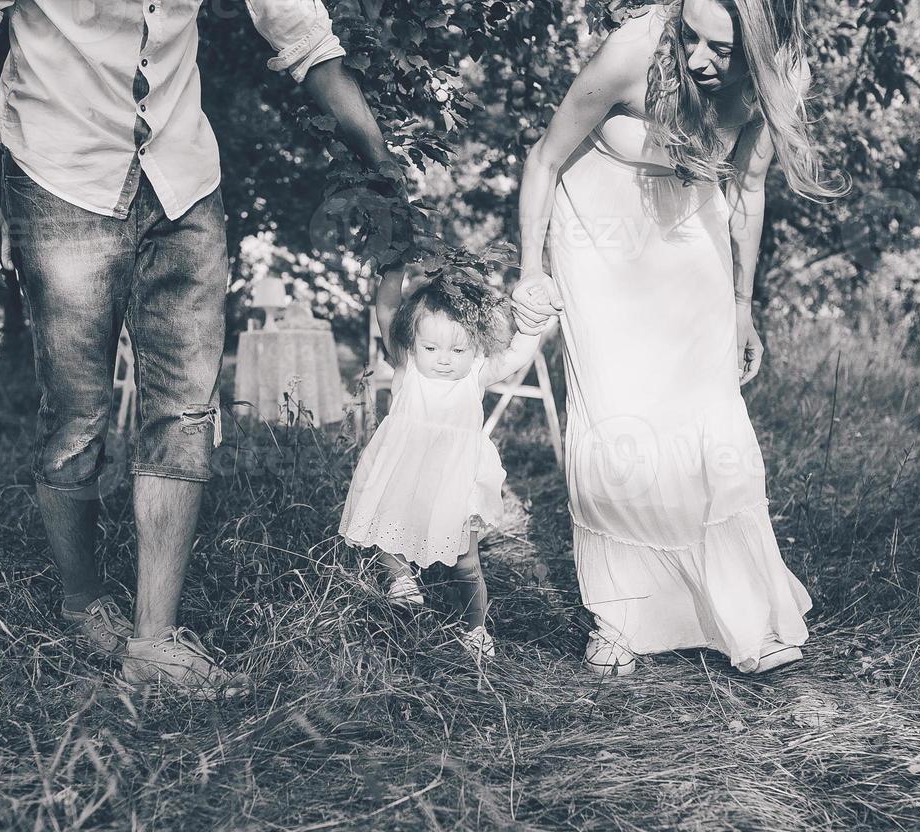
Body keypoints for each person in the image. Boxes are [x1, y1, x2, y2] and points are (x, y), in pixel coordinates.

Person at [0, 0, 400, 695]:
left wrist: (381, 160)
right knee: (77, 411)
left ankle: (153, 641)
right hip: (58, 170)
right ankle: (83, 603)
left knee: (185, 411)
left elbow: (302, 33)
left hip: (185, 182)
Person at [510, 0, 843, 677]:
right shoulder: (634, 50)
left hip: (693, 231)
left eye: (721, 49)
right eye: (690, 37)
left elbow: (748, 186)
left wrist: (743, 304)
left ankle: (739, 610)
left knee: (706, 418)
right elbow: (545, 159)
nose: (696, 59)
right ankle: (621, 614)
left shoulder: (784, 72)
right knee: (616, 420)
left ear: (761, 40)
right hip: (600, 241)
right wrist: (529, 270)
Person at [339, 270, 542, 664]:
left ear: (476, 348)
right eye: (432, 348)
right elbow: (386, 307)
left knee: (466, 562)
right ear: (413, 343)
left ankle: (475, 629)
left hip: (455, 482)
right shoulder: (408, 365)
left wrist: (533, 322)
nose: (445, 360)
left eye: (458, 350)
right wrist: (393, 268)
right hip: (403, 474)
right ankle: (401, 580)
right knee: (386, 530)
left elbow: (518, 353)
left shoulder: (476, 375)